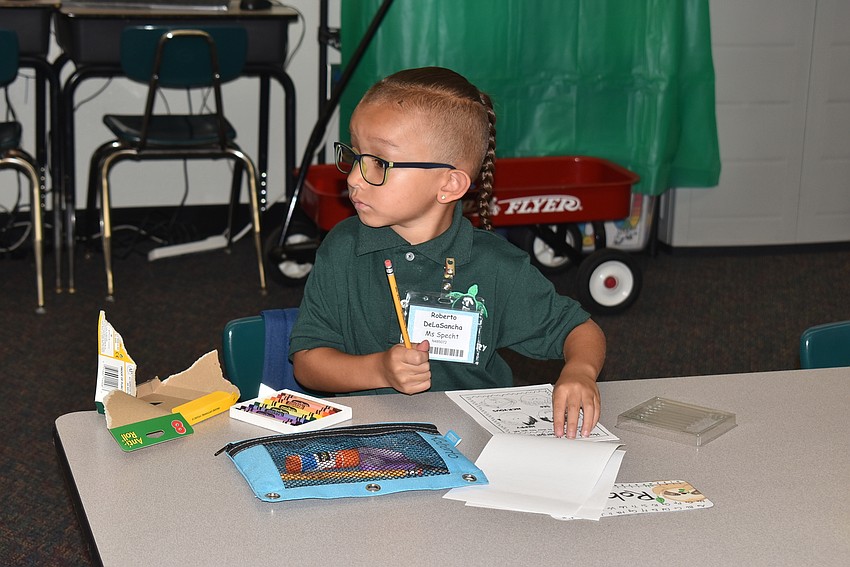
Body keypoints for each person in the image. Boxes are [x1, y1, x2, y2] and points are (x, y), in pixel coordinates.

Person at [290, 67, 606, 438]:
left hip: (478, 442)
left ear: (449, 184)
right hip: (374, 437)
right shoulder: (342, 249)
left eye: (379, 162)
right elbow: (308, 362)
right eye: (356, 154)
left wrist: (579, 373)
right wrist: (379, 370)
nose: (354, 177)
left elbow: (581, 330)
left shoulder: (496, 265)